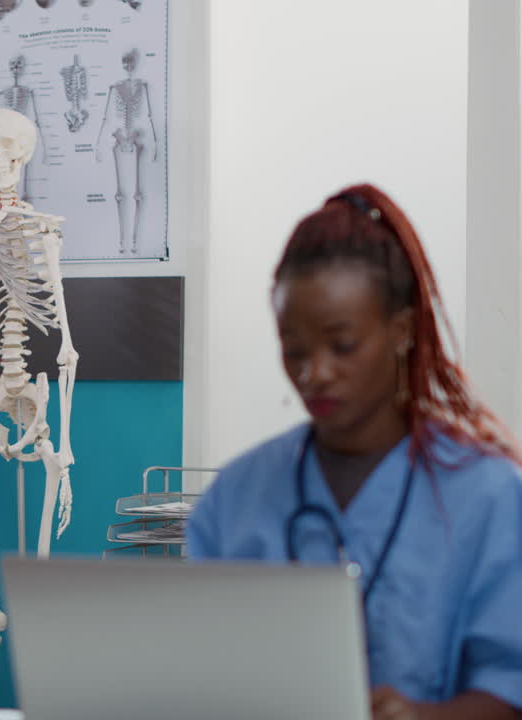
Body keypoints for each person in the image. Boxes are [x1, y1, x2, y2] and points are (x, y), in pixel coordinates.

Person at [187, 184, 522, 720]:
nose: (313, 373)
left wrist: (420, 717)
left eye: (342, 346)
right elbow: (195, 673)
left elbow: (511, 689)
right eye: (294, 350)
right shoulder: (236, 496)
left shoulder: (490, 493)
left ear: (401, 331)